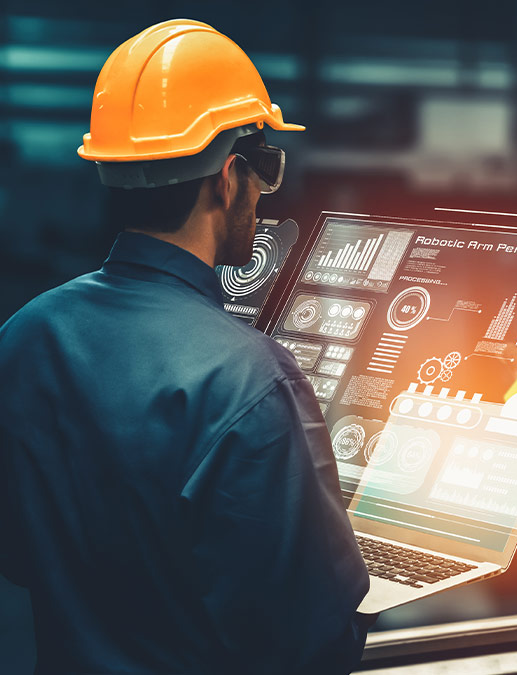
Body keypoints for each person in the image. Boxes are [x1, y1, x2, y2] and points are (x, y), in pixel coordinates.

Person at [0, 20, 372, 673]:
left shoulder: (27, 334)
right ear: (227, 178)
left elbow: (19, 554)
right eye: (263, 170)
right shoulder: (250, 381)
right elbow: (312, 641)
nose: (261, 195)